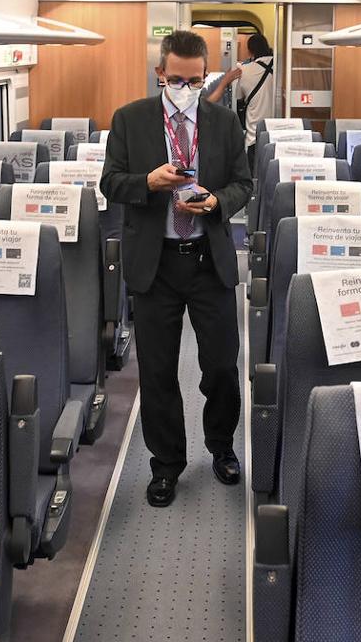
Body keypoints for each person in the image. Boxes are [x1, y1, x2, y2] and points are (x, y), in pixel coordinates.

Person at [100, 30, 253, 508]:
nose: (187, 87)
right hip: (156, 263)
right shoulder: (130, 120)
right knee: (159, 372)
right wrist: (147, 182)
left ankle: (222, 446)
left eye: (196, 79)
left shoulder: (225, 123)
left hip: (209, 262)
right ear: (160, 74)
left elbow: (243, 185)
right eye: (178, 78)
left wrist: (217, 202)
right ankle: (166, 465)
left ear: (205, 76)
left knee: (223, 368)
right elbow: (111, 183)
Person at [207, 32, 274, 173]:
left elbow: (238, 98)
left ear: (250, 50)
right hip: (277, 132)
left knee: (254, 177)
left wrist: (226, 80)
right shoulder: (280, 66)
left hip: (254, 136)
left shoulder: (245, 70)